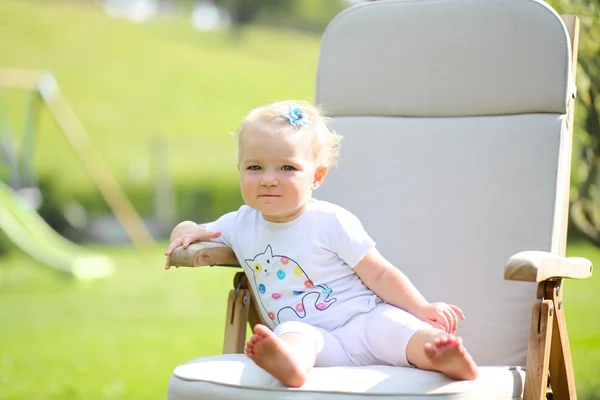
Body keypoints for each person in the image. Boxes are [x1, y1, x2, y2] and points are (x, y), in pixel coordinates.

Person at [164, 100, 478, 387]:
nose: (268, 179)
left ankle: (441, 355)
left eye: (287, 167)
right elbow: (195, 227)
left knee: (401, 331)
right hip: (320, 342)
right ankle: (290, 365)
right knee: (292, 334)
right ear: (240, 171)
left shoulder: (330, 221)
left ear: (317, 176)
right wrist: (184, 229)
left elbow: (380, 273)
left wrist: (421, 307)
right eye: (254, 167)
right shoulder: (238, 223)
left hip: (364, 322)